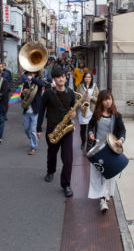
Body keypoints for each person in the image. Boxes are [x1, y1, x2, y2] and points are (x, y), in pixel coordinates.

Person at [37, 65, 76, 197]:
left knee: (68, 159)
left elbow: (73, 108)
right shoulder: (48, 93)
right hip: (52, 128)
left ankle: (66, 184)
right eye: (58, 77)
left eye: (63, 76)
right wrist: (38, 128)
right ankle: (50, 171)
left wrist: (73, 114)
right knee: (52, 153)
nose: (61, 79)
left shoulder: (70, 93)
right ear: (54, 79)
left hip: (67, 129)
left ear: (66, 78)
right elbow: (41, 110)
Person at [87, 90, 126, 212]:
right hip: (98, 148)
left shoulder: (117, 115)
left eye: (109, 99)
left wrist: (121, 140)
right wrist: (91, 133)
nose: (108, 102)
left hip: (111, 149)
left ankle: (105, 195)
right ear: (101, 101)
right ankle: (102, 199)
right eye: (105, 99)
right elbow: (90, 125)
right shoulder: (97, 114)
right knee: (99, 173)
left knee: (109, 174)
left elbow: (122, 130)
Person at [20, 71, 45, 155]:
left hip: (35, 110)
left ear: (35, 75)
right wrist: (24, 93)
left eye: (31, 74)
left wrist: (33, 79)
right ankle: (33, 140)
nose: (29, 76)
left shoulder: (37, 83)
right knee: (26, 129)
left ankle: (33, 147)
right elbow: (22, 97)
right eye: (28, 74)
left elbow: (42, 84)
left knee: (33, 130)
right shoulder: (26, 83)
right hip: (27, 109)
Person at [76, 72, 99, 150]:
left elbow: (99, 99)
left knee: (91, 129)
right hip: (83, 110)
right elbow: (75, 99)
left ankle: (89, 145)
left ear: (91, 78)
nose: (87, 79)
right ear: (83, 78)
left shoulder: (95, 86)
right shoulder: (80, 86)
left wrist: (91, 97)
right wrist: (80, 105)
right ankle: (83, 142)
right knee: (82, 129)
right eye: (86, 77)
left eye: (89, 77)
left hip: (92, 111)